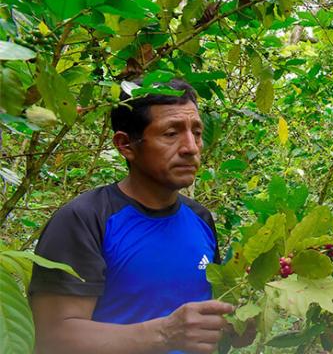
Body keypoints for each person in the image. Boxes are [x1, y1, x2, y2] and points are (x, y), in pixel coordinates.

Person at [29, 79, 244, 354]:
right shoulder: (85, 220)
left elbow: (201, 328)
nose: (190, 147)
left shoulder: (200, 218)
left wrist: (235, 329)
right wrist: (165, 334)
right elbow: (53, 338)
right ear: (125, 144)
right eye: (171, 134)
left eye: (197, 133)